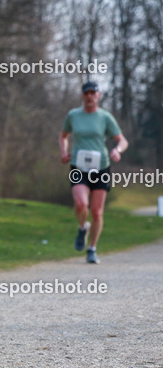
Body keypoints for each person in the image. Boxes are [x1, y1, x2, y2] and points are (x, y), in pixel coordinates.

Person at [59, 81, 127, 264]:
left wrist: (117, 151)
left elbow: (122, 140)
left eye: (93, 93)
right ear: (82, 95)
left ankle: (92, 249)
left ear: (99, 95)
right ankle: (83, 227)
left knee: (97, 212)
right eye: (86, 93)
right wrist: (64, 152)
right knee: (81, 204)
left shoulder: (105, 117)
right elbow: (63, 135)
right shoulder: (73, 115)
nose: (89, 96)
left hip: (101, 167)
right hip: (78, 166)